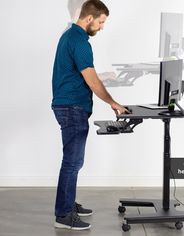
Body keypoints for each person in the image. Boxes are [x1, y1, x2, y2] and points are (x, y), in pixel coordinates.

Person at [51, 0, 129, 231]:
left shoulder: (71, 36)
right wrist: (113, 102)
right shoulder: (80, 41)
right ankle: (63, 214)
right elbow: (91, 81)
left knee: (74, 161)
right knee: (72, 162)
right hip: (72, 107)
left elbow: (81, 73)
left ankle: (67, 204)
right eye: (101, 22)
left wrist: (104, 75)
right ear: (89, 18)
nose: (102, 27)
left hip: (69, 105)